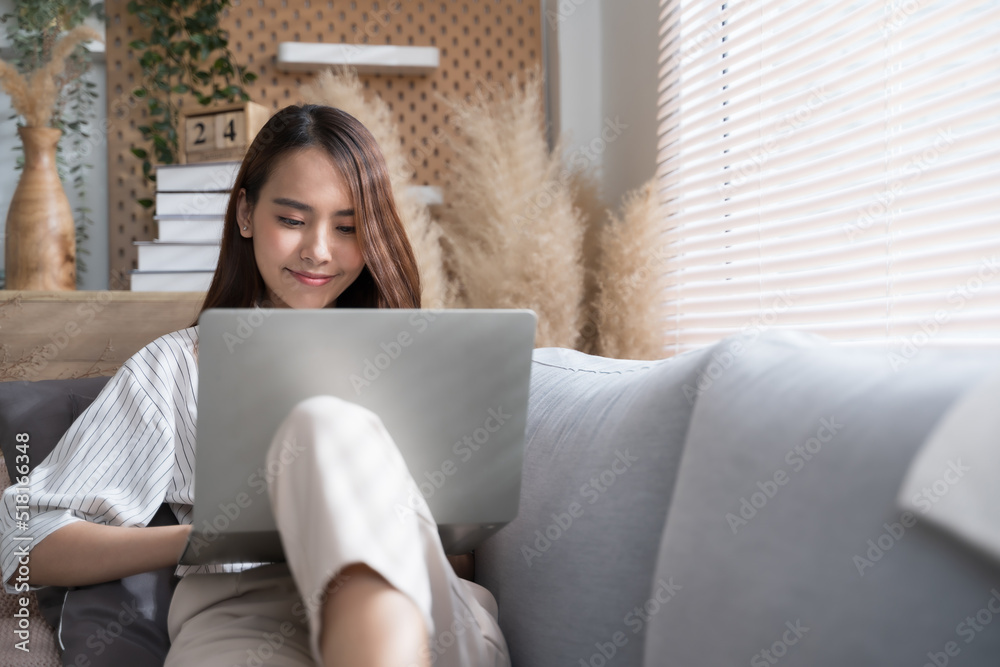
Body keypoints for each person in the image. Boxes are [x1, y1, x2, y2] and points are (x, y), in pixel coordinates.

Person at [0, 104, 510, 667]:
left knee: (327, 426)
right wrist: (216, 535)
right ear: (245, 213)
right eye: (293, 220)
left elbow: (457, 556)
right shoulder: (176, 367)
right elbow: (25, 539)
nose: (319, 249)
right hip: (244, 613)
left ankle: (375, 628)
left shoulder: (423, 362)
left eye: (347, 227)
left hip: (420, 604)